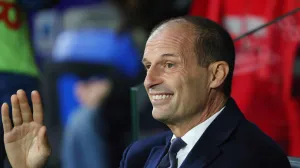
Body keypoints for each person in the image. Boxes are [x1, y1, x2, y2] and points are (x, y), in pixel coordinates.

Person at [1, 16, 291, 168]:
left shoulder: (254, 158)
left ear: (215, 74)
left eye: (168, 64)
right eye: (148, 66)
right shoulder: (140, 155)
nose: (149, 80)